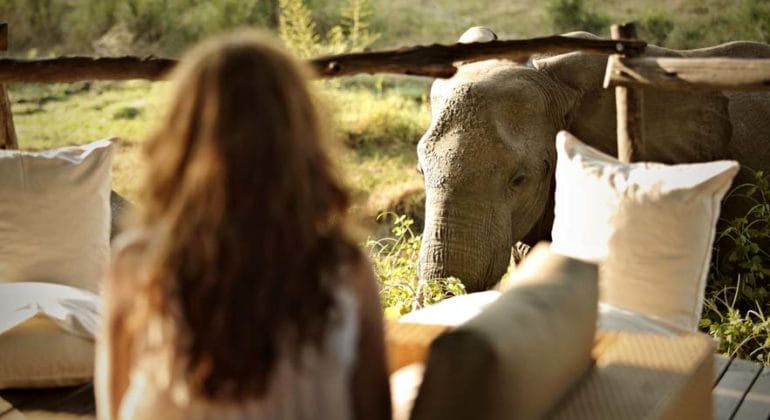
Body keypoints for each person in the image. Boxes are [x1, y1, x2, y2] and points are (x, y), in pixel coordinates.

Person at [95, 30, 391, 420]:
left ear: (184, 140)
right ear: (300, 141)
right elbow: (373, 411)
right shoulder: (344, 268)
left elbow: (113, 410)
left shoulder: (137, 264)